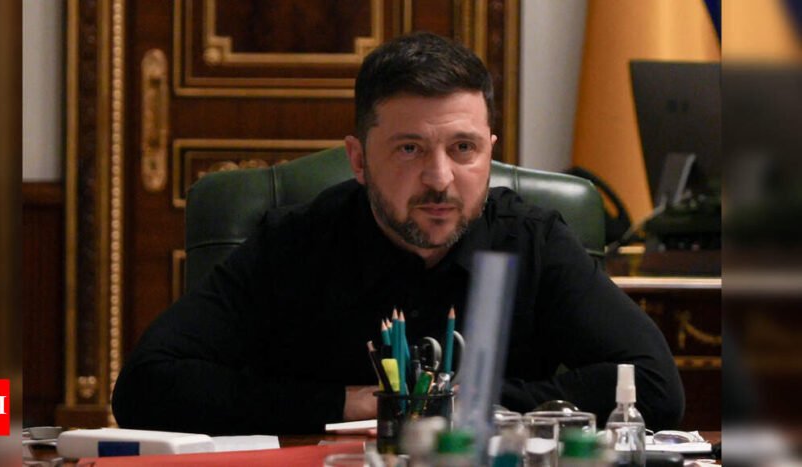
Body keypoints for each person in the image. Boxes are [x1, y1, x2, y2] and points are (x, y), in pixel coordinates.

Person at [112, 32, 684, 435]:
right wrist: (345, 403)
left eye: (463, 149)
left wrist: (444, 407)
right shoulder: (296, 243)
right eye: (410, 149)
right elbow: (146, 386)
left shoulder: (530, 241)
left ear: (490, 153)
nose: (440, 178)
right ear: (359, 160)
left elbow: (655, 386)